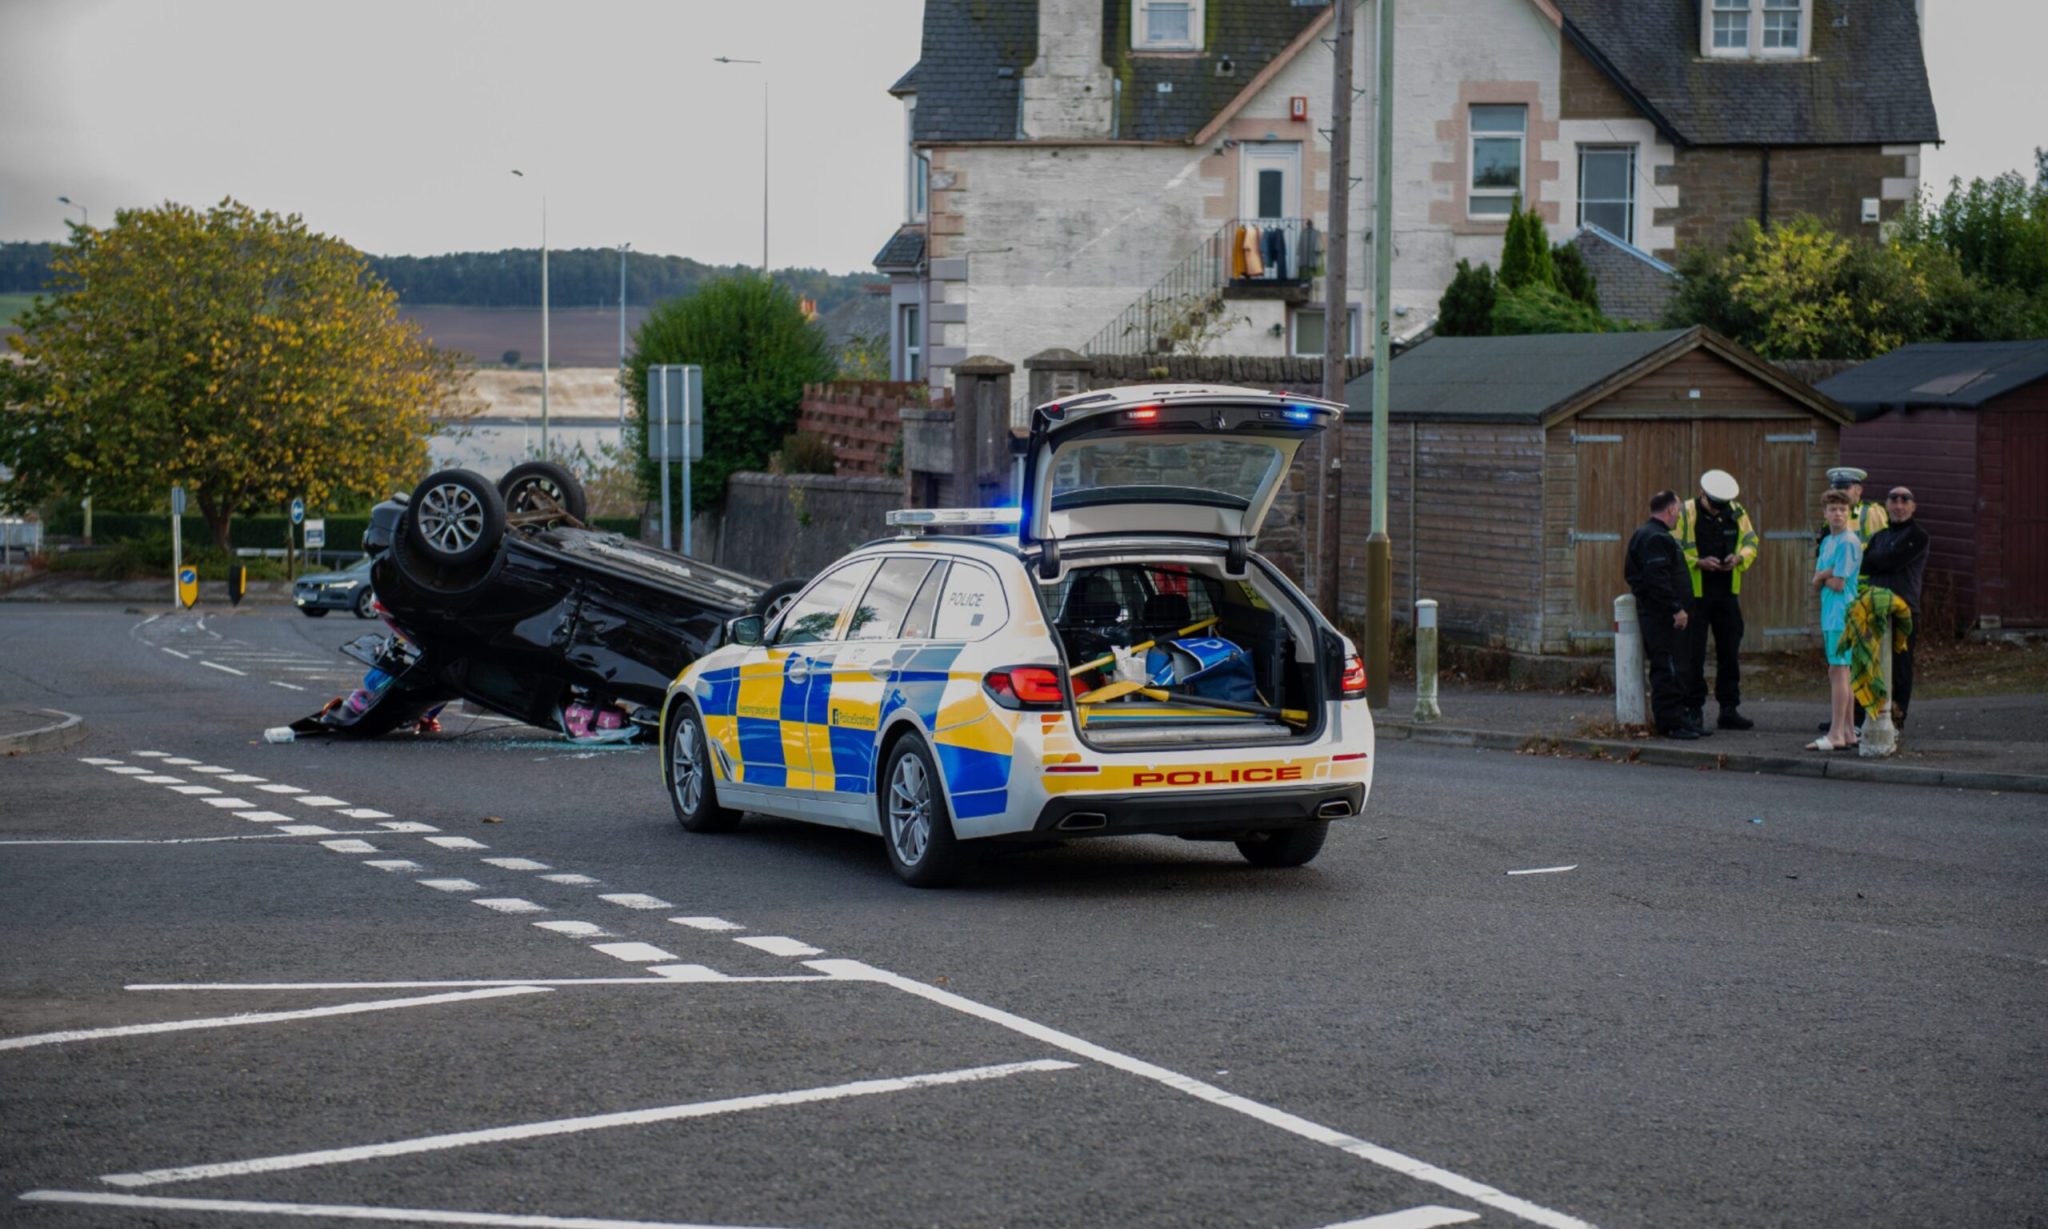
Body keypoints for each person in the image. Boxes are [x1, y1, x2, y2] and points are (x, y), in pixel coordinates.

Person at [1675, 469, 1759, 732]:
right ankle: (1693, 709)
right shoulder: (1686, 512)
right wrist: (1697, 562)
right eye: (1713, 505)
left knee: (1729, 652)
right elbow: (1673, 547)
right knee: (1694, 654)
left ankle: (1729, 709)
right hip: (1696, 594)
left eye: (1721, 507)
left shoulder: (1736, 511)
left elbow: (1751, 541)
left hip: (1726, 592)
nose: (1716, 511)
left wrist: (1739, 559)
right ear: (1703, 495)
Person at [1626, 490, 1697, 739]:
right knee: (1667, 669)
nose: (1679, 515)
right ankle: (1670, 724)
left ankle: (1681, 720)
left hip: (1663, 616)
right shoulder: (1654, 537)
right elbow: (1657, 579)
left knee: (1676, 667)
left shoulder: (1650, 535)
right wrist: (1675, 608)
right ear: (1670, 511)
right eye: (1678, 510)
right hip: (1662, 618)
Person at [1862, 486, 1930, 730]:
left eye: (1905, 501)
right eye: (1894, 500)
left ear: (1913, 507)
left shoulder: (1918, 536)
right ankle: (1871, 716)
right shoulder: (1879, 536)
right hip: (1875, 608)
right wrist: (1882, 561)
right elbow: (1865, 565)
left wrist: (1881, 560)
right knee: (1872, 663)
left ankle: (1897, 718)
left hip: (1905, 611)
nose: (1899, 505)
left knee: (1900, 667)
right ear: (1887, 505)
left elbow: (1892, 560)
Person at [1812, 490, 1863, 750]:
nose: (1838, 514)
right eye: (1833, 509)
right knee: (1837, 670)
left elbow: (1839, 583)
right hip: (1830, 612)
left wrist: (1822, 576)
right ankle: (1847, 732)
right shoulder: (1828, 542)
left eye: (1842, 509)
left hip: (1843, 613)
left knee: (1840, 670)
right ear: (1825, 513)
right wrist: (1823, 576)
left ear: (1849, 512)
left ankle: (1836, 734)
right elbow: (1819, 579)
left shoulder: (1847, 542)